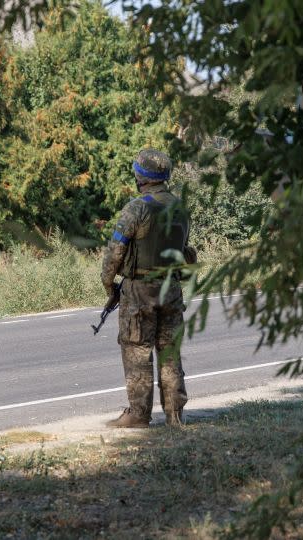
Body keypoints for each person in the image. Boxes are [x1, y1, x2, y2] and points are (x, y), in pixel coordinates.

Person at [101, 148, 193, 428]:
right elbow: (186, 250)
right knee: (169, 352)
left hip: (140, 291)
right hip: (171, 289)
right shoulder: (180, 208)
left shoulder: (136, 208)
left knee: (137, 350)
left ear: (141, 176)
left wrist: (109, 286)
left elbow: (115, 253)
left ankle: (139, 415)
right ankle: (175, 414)